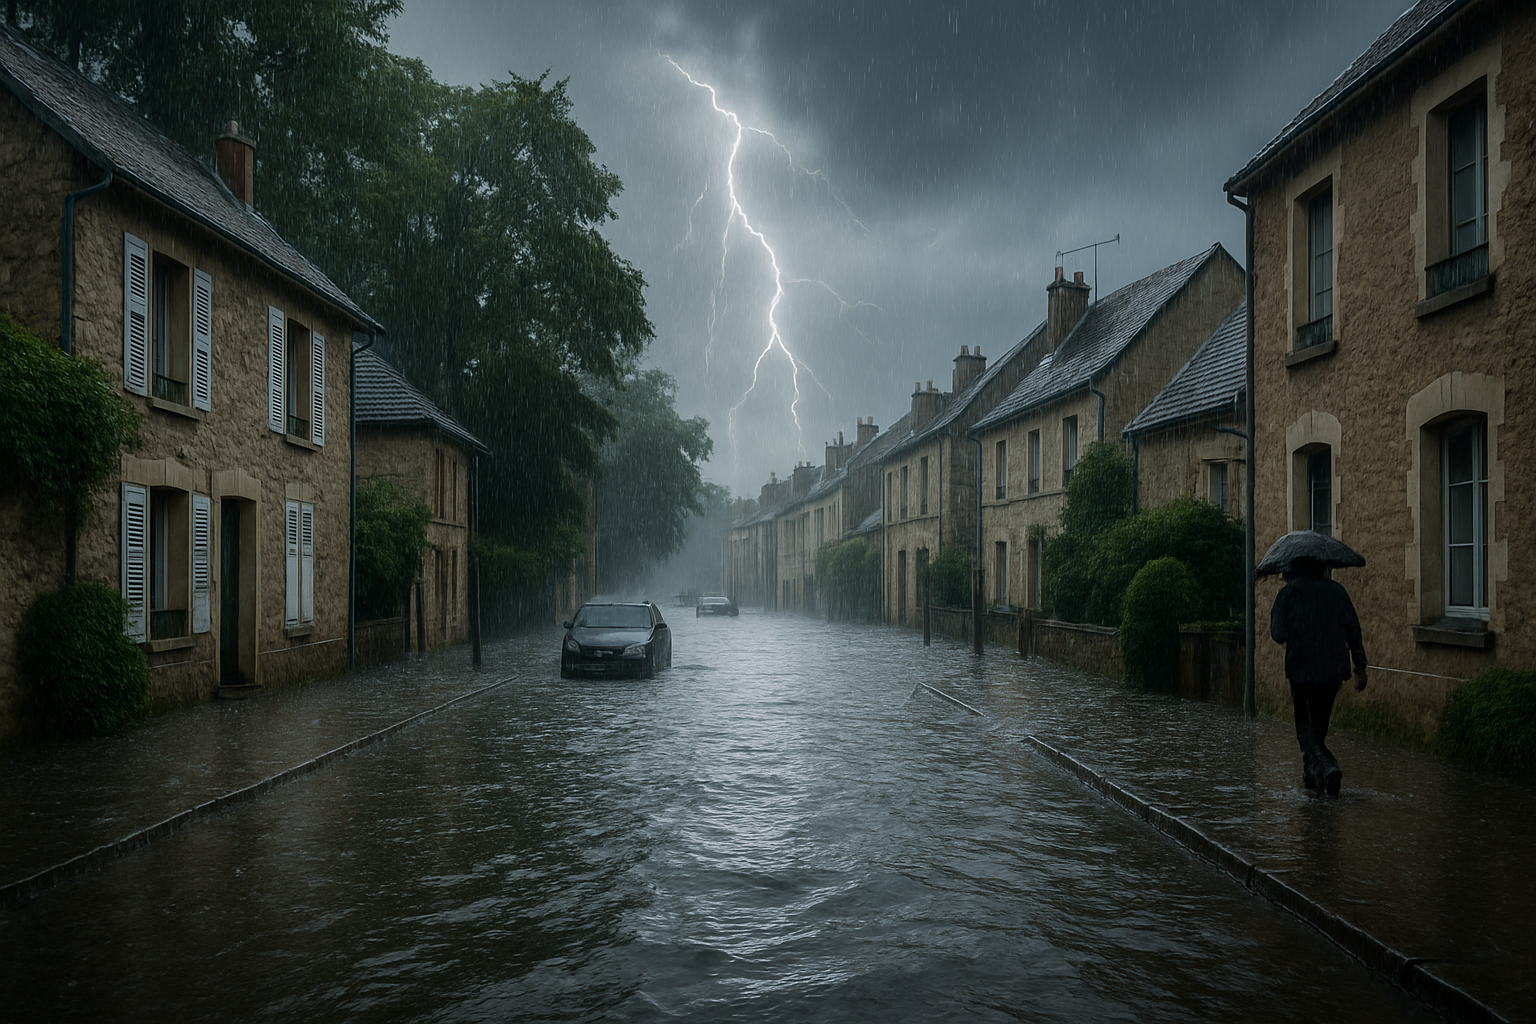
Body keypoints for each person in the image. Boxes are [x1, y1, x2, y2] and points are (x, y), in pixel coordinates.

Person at [1268, 558, 1368, 796]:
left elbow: (1278, 634)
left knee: (1305, 727)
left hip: (1302, 671)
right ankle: (1312, 773)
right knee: (1319, 725)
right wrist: (1360, 666)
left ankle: (1327, 765)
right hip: (1333, 670)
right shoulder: (1337, 591)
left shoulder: (1288, 594)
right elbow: (1353, 628)